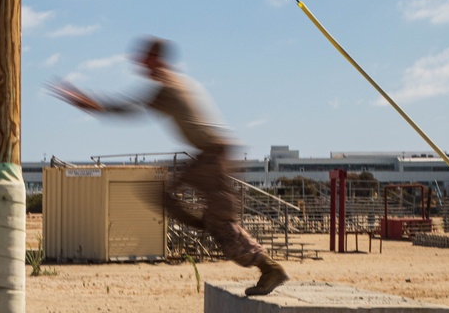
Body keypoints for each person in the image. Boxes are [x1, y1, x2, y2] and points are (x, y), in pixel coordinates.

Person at [50, 37, 289, 296]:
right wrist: (93, 105)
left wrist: (91, 105)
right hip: (206, 156)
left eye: (145, 57)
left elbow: (126, 107)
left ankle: (268, 267)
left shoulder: (167, 87)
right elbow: (128, 106)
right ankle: (212, 227)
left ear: (157, 59)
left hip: (213, 155)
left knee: (216, 220)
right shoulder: (172, 84)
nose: (139, 62)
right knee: (166, 196)